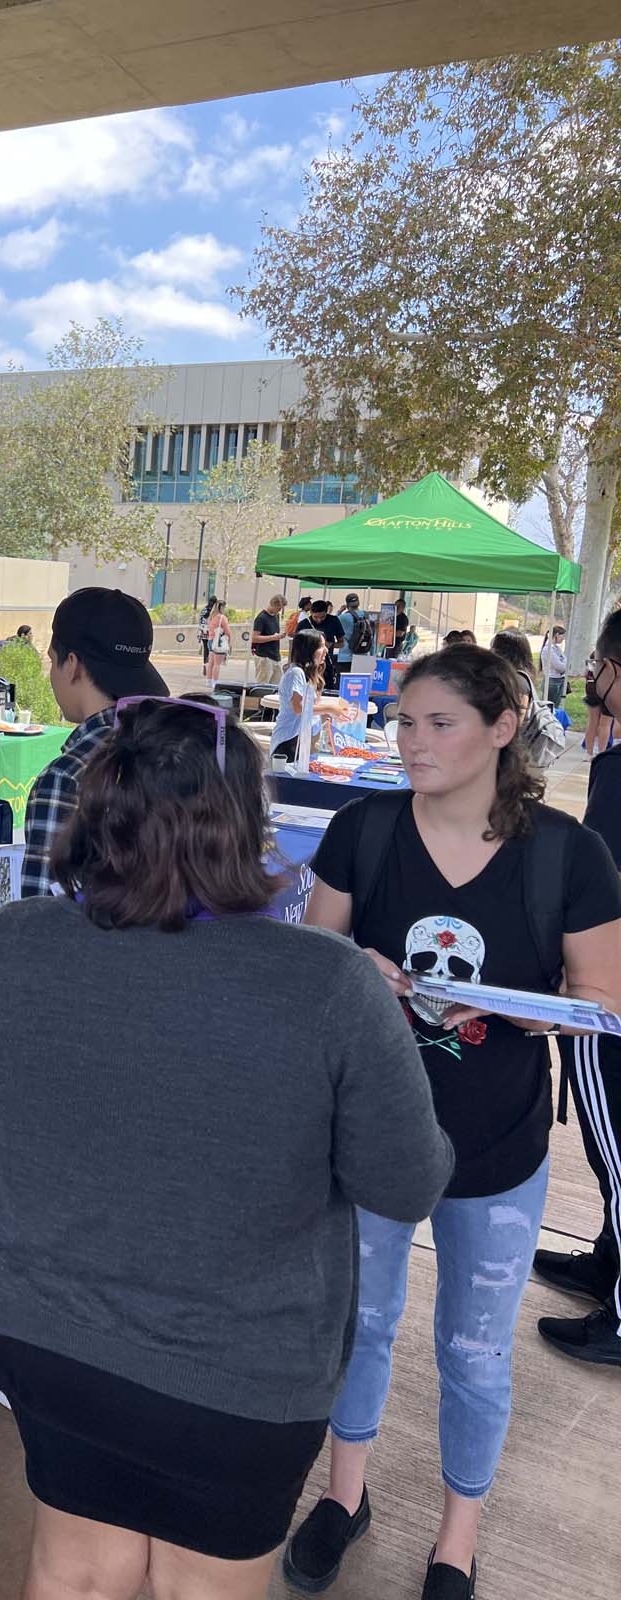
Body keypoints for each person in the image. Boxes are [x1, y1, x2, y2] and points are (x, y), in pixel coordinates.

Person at [0, 697, 451, 1600]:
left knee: (78, 1574)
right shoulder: (329, 983)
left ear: (96, 813)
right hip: (242, 1375)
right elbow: (405, 1181)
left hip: (50, 1343)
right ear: (248, 824)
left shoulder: (6, 944)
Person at [289, 645, 621, 1600]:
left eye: (439, 723)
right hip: (372, 1137)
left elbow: (602, 994)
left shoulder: (566, 851)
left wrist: (533, 1004)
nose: (413, 742)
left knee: (474, 1351)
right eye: (403, 722)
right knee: (362, 1326)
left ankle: (456, 1540)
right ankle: (344, 1497)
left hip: (499, 1143)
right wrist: (364, 974)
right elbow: (317, 961)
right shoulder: (364, 828)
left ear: (502, 729)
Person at [535, 608, 621, 1367]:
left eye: (598, 665)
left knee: (617, 1142)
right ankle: (609, 1257)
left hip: (612, 992)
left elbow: (602, 887)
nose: (590, 677)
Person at [19, 588, 168, 899]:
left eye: (52, 660)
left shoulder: (68, 777)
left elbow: (38, 916)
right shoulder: (174, 748)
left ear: (71, 664)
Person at [271, 630, 327, 764]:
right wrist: (330, 708)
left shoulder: (309, 674)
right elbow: (298, 708)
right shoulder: (296, 673)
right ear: (308, 650)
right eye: (320, 646)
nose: (325, 650)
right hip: (289, 741)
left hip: (303, 740)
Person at [305, 600, 346, 690]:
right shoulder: (304, 624)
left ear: (326, 612)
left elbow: (342, 643)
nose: (319, 620)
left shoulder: (333, 621)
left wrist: (330, 645)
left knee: (327, 691)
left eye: (322, 617)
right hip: (307, 665)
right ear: (311, 612)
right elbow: (296, 646)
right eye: (315, 617)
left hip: (326, 665)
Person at [250, 594, 288, 686]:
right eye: (278, 608)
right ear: (273, 605)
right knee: (262, 685)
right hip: (264, 656)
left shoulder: (275, 616)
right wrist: (274, 637)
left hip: (275, 655)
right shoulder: (261, 618)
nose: (279, 611)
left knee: (275, 685)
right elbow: (255, 638)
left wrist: (278, 636)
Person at [583, 653, 615, 759]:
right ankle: (601, 753)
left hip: (592, 687)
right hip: (609, 690)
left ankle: (588, 753)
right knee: (605, 724)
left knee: (592, 722)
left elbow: (586, 673)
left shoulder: (594, 653)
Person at [337, 593, 370, 670]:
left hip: (346, 657)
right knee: (361, 681)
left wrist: (339, 611)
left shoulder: (343, 617)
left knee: (345, 681)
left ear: (347, 604)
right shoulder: (366, 616)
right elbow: (371, 635)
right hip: (363, 656)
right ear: (358, 603)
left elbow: (333, 623)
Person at [540, 625, 567, 707]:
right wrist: (564, 662)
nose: (563, 638)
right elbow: (560, 667)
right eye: (562, 636)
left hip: (558, 680)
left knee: (555, 706)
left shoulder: (557, 649)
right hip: (552, 681)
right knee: (550, 706)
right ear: (557, 635)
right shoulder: (548, 650)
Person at [205, 602, 232, 685]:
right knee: (217, 664)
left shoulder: (211, 617)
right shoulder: (222, 618)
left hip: (210, 640)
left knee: (211, 663)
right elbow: (227, 631)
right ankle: (215, 682)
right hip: (219, 642)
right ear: (221, 608)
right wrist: (229, 641)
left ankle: (208, 680)